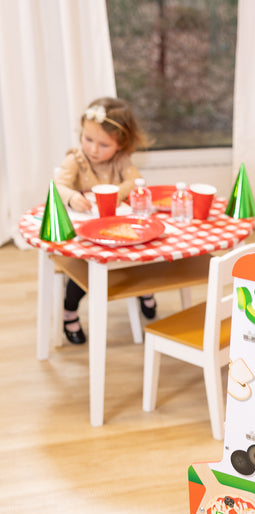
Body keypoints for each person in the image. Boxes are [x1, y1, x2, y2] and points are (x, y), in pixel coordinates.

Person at [55, 97, 155, 344]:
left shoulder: (121, 161)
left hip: (116, 231)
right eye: (88, 139)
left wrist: (114, 192)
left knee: (143, 258)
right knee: (81, 274)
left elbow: (134, 181)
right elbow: (58, 185)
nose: (93, 149)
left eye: (104, 144)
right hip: (87, 234)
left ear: (121, 145)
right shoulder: (77, 160)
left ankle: (145, 291)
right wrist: (71, 198)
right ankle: (69, 312)